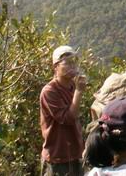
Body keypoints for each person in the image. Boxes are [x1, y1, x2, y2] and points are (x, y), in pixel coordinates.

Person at [40, 45, 87, 176]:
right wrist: (79, 92)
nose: (72, 66)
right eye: (67, 63)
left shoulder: (72, 86)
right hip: (58, 159)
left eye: (74, 62)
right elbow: (68, 119)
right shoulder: (50, 91)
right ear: (56, 67)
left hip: (76, 154)